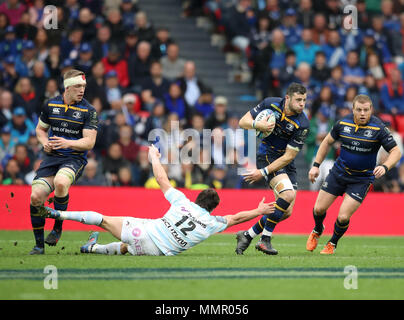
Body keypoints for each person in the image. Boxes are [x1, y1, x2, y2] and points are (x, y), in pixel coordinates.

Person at [37, 145, 275, 256]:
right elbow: (237, 218)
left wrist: (153, 157)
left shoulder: (182, 201)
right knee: (129, 247)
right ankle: (93, 248)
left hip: (146, 232)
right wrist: (259, 210)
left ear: (197, 197)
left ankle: (59, 214)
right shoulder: (213, 223)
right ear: (213, 208)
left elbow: (161, 179)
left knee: (103, 220)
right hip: (157, 252)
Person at [306, 94, 401, 254]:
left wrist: (385, 167)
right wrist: (316, 166)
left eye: (366, 110)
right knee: (318, 210)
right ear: (353, 110)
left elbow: (396, 151)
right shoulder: (343, 123)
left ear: (371, 109)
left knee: (343, 217)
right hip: (338, 173)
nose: (363, 113)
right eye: (359, 110)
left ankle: (332, 243)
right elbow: (327, 142)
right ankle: (317, 229)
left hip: (361, 179)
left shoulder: (379, 128)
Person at [28, 69, 98, 255]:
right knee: (36, 197)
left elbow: (89, 142)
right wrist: (45, 143)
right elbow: (41, 130)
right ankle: (39, 246)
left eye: (83, 86)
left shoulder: (89, 111)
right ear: (67, 88)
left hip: (74, 158)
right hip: (52, 158)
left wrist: (68, 143)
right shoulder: (50, 105)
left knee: (61, 182)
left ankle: (57, 227)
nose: (82, 90)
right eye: (77, 86)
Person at [235, 82, 310, 255]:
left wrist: (262, 173)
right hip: (267, 156)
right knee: (288, 195)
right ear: (287, 98)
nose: (302, 104)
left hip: (285, 161)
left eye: (304, 100)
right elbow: (243, 121)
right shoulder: (270, 104)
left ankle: (247, 234)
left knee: (286, 211)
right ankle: (265, 239)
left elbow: (289, 156)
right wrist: (257, 125)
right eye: (298, 100)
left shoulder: (302, 124)